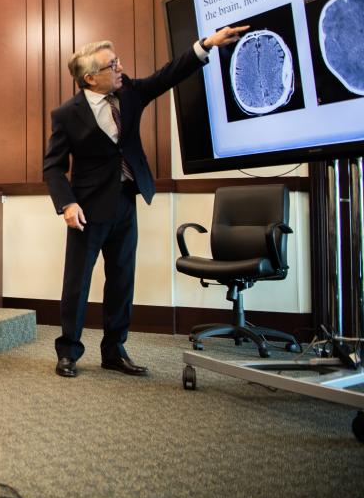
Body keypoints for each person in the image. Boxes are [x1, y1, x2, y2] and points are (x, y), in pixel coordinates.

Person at [43, 25, 248, 378]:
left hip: (125, 201)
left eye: (118, 61)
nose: (120, 68)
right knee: (77, 283)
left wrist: (205, 45)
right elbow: (53, 167)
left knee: (122, 280)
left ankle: (114, 350)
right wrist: (67, 204)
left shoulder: (130, 92)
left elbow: (167, 75)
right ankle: (69, 351)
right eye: (113, 65)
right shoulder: (66, 114)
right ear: (91, 78)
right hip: (87, 210)